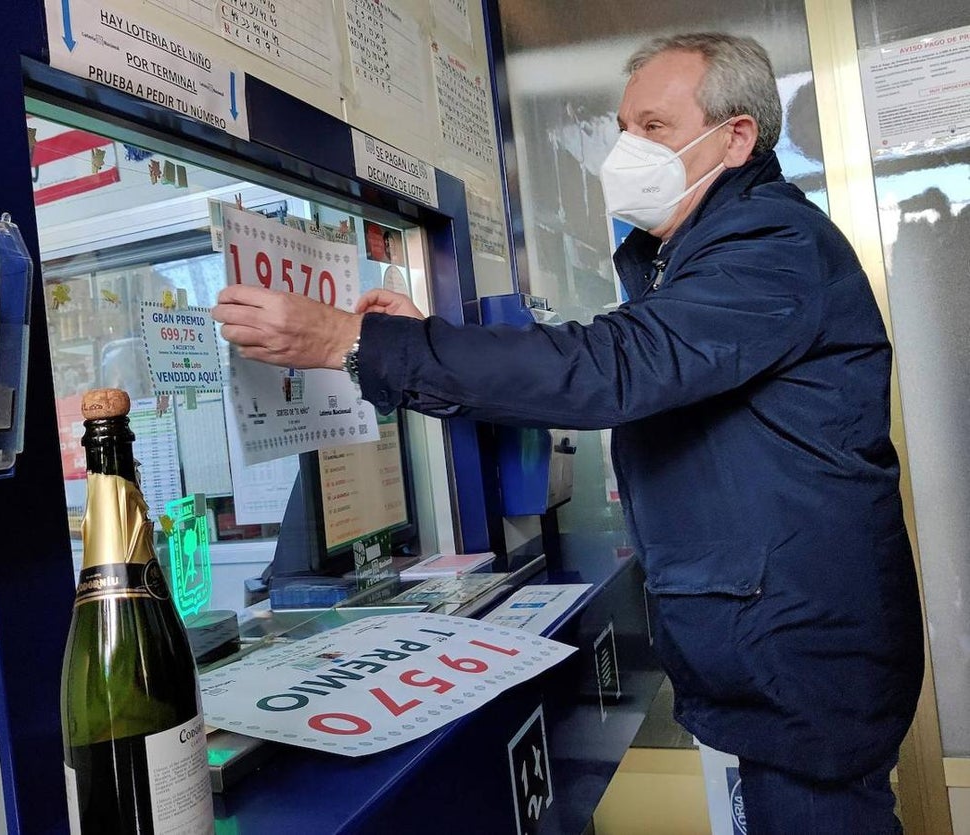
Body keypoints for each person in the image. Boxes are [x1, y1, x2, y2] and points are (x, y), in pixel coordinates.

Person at [213, 32, 923, 832]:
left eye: (652, 126)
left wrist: (355, 342)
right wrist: (429, 335)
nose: (625, 150)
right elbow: (616, 359)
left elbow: (610, 367)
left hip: (802, 665)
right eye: (623, 128)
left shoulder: (768, 243)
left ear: (737, 137)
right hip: (778, 653)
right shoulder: (695, 256)